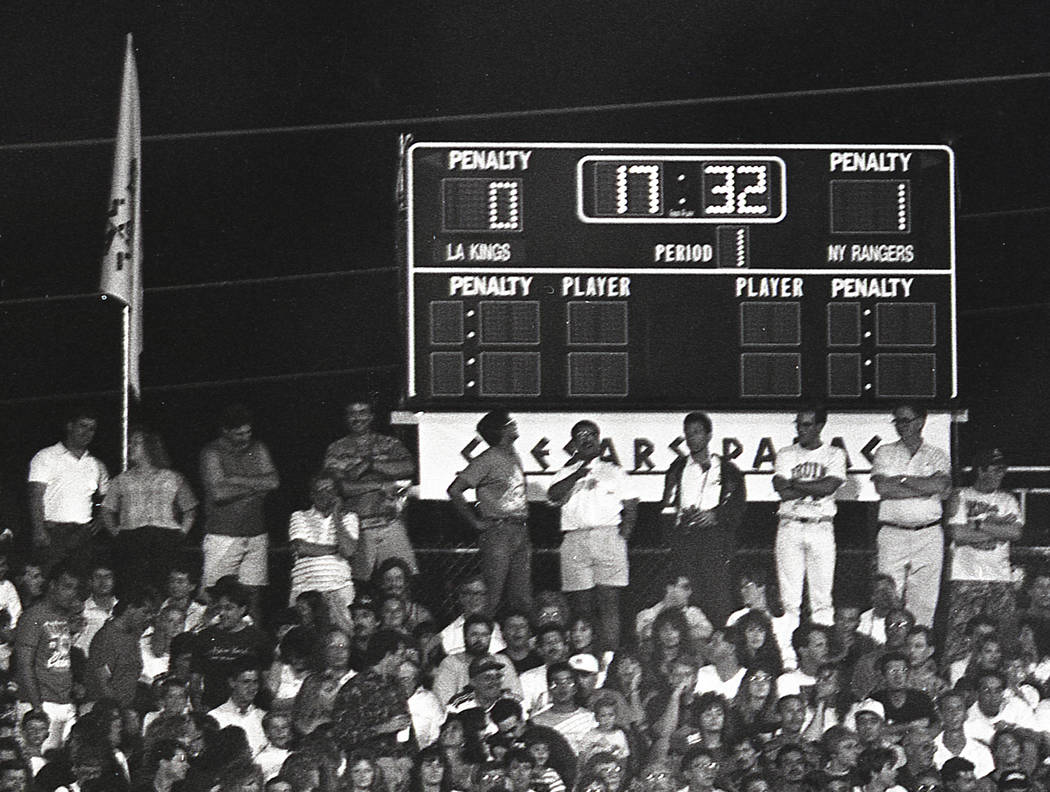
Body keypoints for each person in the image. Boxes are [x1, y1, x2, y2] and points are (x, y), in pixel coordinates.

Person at [547, 420, 638, 657]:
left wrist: (624, 533)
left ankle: (609, 658)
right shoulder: (565, 472)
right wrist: (578, 473)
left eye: (591, 435)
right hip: (575, 538)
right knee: (581, 605)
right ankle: (584, 656)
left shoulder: (614, 471)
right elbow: (553, 496)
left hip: (608, 536)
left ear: (598, 439)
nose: (586, 439)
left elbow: (631, 504)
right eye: (580, 436)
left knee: (609, 602)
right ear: (574, 443)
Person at [661, 412, 746, 628]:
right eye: (688, 434)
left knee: (717, 597)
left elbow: (738, 507)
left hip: (715, 541)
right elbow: (667, 505)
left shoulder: (728, 470)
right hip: (686, 540)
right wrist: (677, 526)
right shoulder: (677, 468)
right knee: (686, 597)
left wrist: (715, 515)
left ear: (708, 435)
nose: (692, 438)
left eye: (697, 432)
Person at [871, 403, 952, 627]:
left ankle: (919, 651)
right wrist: (925, 486)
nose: (901, 426)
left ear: (920, 422)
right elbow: (884, 489)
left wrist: (903, 479)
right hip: (893, 532)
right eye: (897, 421)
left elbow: (940, 484)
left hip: (928, 532)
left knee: (924, 601)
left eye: (906, 420)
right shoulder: (885, 451)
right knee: (886, 594)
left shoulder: (937, 455)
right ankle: (882, 650)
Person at [199, 403, 280, 626]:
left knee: (252, 598)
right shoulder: (212, 452)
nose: (246, 437)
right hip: (223, 535)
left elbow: (273, 481)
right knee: (215, 597)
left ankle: (253, 647)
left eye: (248, 432)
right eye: (239, 433)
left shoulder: (259, 448)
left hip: (256, 534)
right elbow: (218, 493)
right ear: (225, 431)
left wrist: (235, 480)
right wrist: (256, 486)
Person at [448, 409, 532, 618]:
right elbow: (455, 489)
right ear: (502, 429)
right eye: (511, 423)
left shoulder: (513, 455)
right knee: (492, 594)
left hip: (519, 529)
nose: (515, 425)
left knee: (521, 596)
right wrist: (475, 522)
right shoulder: (487, 459)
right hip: (498, 531)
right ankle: (481, 638)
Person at [324, 398, 418, 584]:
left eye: (363, 412)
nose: (358, 418)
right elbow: (343, 487)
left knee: (402, 580)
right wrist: (381, 484)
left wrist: (370, 464)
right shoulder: (336, 449)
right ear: (346, 418)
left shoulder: (389, 443)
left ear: (372, 415)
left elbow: (408, 467)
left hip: (390, 523)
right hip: (358, 527)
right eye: (352, 413)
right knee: (360, 585)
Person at [943, 447, 1023, 663]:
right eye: (996, 469)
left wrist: (976, 524)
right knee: (960, 638)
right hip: (965, 577)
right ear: (980, 470)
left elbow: (1014, 532)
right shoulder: (961, 495)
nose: (1001, 474)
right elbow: (957, 533)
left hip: (999, 578)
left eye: (1003, 469)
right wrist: (996, 528)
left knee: (1005, 636)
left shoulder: (1008, 500)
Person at [772, 407, 846, 626]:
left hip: (820, 525)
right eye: (798, 424)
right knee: (789, 600)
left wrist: (795, 483)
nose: (801, 429)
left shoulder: (834, 454)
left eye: (806, 424)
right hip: (790, 525)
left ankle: (822, 654)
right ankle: (789, 654)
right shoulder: (786, 453)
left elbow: (829, 486)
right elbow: (782, 491)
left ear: (820, 426)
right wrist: (815, 486)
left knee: (822, 599)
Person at [100, 427, 197, 592]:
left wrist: (181, 533)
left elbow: (189, 509)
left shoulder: (172, 477)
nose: (130, 447)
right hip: (131, 537)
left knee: (162, 586)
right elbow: (107, 510)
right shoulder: (122, 479)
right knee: (131, 586)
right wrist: (118, 534)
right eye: (130, 443)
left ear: (149, 446)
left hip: (165, 537)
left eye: (136, 443)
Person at [27, 408, 109, 572]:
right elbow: (35, 495)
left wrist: (100, 520)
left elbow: (108, 497)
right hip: (54, 532)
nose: (87, 432)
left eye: (91, 428)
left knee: (80, 582)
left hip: (83, 534)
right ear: (70, 426)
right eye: (82, 426)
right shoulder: (46, 456)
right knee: (49, 577)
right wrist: (39, 530)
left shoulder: (96, 464)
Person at [13, 563, 82, 750]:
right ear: (52, 586)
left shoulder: (63, 616)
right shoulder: (32, 616)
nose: (72, 593)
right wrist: (37, 707)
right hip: (40, 703)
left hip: (64, 703)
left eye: (75, 588)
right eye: (67, 587)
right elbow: (24, 664)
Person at [288, 470, 359, 635]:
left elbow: (348, 550)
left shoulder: (349, 518)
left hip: (338, 588)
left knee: (341, 636)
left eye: (330, 490)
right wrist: (335, 549)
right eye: (320, 491)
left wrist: (335, 516)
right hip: (305, 589)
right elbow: (301, 547)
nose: (325, 495)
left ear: (336, 493)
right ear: (312, 495)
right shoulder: (299, 516)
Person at [331, 629, 414, 755]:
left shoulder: (396, 686)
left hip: (397, 761)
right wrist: (383, 728)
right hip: (368, 763)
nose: (403, 660)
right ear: (387, 655)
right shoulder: (355, 689)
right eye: (400, 654)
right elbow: (342, 735)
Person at [85, 588, 154, 717]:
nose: (148, 617)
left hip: (126, 709)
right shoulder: (106, 638)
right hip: (106, 712)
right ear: (130, 608)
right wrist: (119, 713)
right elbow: (102, 682)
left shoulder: (132, 636)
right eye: (145, 612)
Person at [207, 664, 267, 756]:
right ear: (232, 682)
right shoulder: (214, 717)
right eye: (246, 682)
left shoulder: (263, 717)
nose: (252, 687)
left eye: (255, 682)